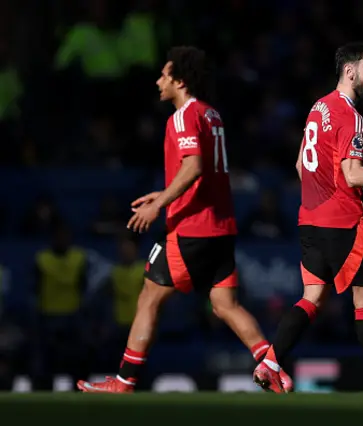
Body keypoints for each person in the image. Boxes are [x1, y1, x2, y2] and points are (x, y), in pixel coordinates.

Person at [77, 46, 292, 393]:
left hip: (192, 228)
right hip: (222, 227)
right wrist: (161, 192)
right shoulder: (212, 115)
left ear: (179, 80)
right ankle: (273, 370)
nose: (158, 80)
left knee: (149, 296)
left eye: (164, 74)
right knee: (225, 305)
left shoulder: (183, 116)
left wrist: (158, 204)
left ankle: (123, 381)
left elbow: (193, 167)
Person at [253, 42, 363, 394]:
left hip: (309, 221)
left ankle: (270, 363)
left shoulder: (319, 107)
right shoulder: (350, 116)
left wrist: (321, 194)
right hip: (344, 222)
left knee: (312, 297)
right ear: (350, 71)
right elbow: (354, 176)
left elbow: (301, 166)